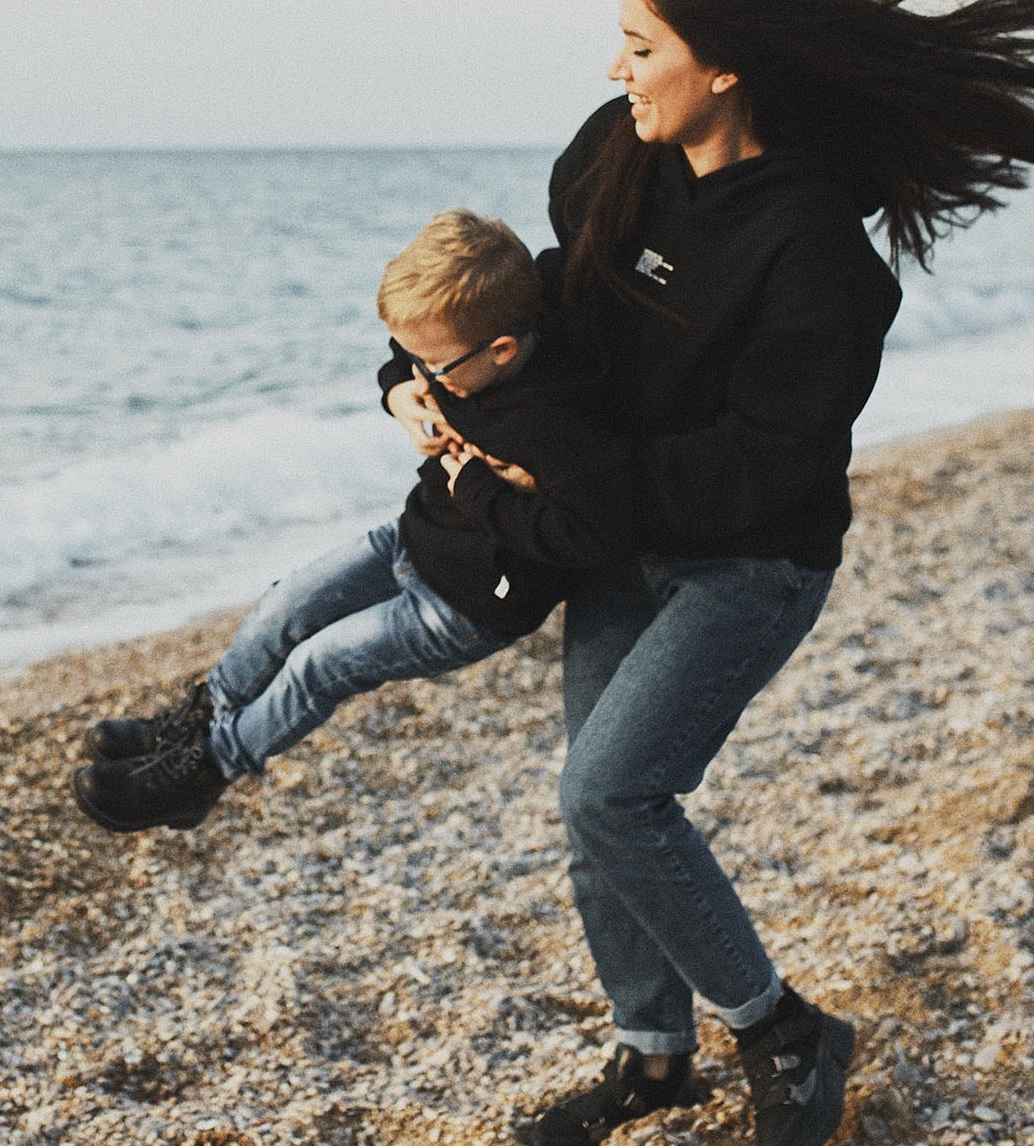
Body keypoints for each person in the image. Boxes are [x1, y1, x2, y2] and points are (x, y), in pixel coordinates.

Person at [379, 0, 1034, 1146]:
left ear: (724, 66)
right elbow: (532, 304)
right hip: (617, 535)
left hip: (748, 561)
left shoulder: (817, 252)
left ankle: (778, 1026)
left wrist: (578, 484)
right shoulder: (614, 157)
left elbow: (767, 464)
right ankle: (652, 1058)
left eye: (639, 46)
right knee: (591, 807)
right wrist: (408, 373)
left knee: (614, 792)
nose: (614, 71)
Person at [72, 209, 634, 833]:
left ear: (500, 350)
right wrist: (399, 389)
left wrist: (473, 483)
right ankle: (197, 722)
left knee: (320, 664)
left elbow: (585, 536)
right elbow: (410, 345)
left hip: (468, 606)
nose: (423, 372)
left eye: (432, 366)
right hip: (411, 539)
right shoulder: (460, 347)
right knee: (284, 608)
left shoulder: (558, 425)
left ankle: (204, 770)